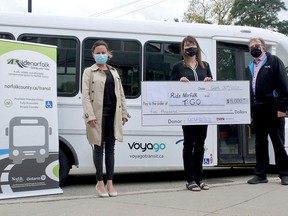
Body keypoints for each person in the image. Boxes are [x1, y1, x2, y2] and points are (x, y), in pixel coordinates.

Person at [82, 40, 129, 197]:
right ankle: (99, 182)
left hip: (113, 115)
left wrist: (124, 113)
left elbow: (121, 94)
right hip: (97, 116)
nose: (101, 55)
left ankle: (110, 182)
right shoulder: (89, 72)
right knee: (98, 147)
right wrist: (89, 115)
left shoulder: (114, 72)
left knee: (111, 149)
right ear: (93, 54)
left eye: (103, 52)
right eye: (98, 53)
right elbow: (86, 96)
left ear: (108, 54)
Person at [171, 35, 213, 191]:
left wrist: (210, 83)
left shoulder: (205, 66)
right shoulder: (178, 67)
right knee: (189, 144)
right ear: (183, 49)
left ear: (197, 47)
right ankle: (190, 180)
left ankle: (200, 178)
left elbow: (212, 88)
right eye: (187, 45)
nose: (190, 47)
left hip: (203, 111)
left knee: (201, 145)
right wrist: (178, 83)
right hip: (186, 111)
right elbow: (170, 89)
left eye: (193, 44)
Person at [246, 37, 288, 185]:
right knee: (260, 143)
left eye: (256, 45)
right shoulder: (251, 66)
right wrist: (250, 111)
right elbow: (250, 90)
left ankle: (285, 174)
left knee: (278, 142)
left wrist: (282, 108)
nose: (254, 48)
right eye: (251, 46)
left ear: (263, 47)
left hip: (274, 108)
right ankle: (260, 175)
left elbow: (284, 85)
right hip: (258, 110)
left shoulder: (274, 61)